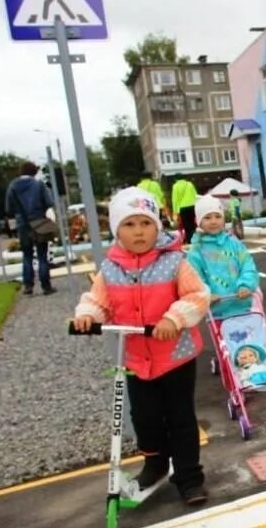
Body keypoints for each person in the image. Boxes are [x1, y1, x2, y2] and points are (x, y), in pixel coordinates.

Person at [72, 186, 211, 505]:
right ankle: (156, 464)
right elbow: (98, 301)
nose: (139, 231)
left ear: (157, 227)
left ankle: (189, 477)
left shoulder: (175, 262)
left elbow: (197, 296)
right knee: (145, 418)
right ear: (117, 230)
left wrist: (173, 318)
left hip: (174, 357)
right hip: (134, 358)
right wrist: (87, 315)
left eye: (146, 223)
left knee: (180, 418)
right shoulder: (110, 269)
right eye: (130, 224)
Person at [186, 194, 259, 320]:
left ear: (224, 219)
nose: (213, 221)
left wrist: (246, 285)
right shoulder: (196, 251)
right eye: (207, 217)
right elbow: (194, 278)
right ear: (198, 222)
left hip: (244, 306)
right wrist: (207, 294)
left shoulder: (235, 244)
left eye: (218, 216)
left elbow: (247, 265)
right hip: (217, 312)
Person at [4, 161, 56, 295]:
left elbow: (9, 208)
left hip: (22, 224)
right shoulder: (39, 184)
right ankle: (46, 286)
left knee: (27, 255)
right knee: (42, 255)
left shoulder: (13, 186)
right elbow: (50, 202)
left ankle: (28, 286)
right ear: (34, 172)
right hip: (39, 223)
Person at [171, 174, 199, 243]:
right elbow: (195, 195)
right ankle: (197, 239)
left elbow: (175, 199)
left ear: (176, 179)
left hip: (182, 208)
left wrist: (175, 211)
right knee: (194, 224)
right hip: (192, 206)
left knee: (187, 226)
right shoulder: (190, 184)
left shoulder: (175, 186)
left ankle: (190, 240)